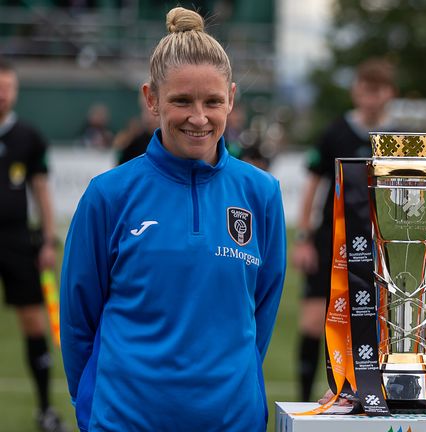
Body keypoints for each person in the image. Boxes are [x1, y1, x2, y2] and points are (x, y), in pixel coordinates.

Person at [60, 7, 286, 431]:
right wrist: (92, 407)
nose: (199, 117)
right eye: (181, 100)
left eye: (213, 101)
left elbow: (260, 313)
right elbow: (77, 322)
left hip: (232, 421)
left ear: (232, 98)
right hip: (125, 420)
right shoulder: (108, 195)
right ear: (151, 98)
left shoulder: (261, 193)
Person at [292, 57, 397, 401]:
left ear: (389, 95)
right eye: (365, 90)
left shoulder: (395, 138)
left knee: (370, 324)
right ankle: (304, 399)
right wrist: (305, 238)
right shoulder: (335, 132)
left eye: (378, 91)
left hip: (374, 243)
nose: (371, 98)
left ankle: (361, 393)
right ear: (356, 92)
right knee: (312, 321)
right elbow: (312, 186)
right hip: (330, 241)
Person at [0, 58, 69, 432]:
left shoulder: (29, 136)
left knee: (33, 322)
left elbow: (41, 190)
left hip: (15, 240)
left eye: (8, 88)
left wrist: (46, 239)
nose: (2, 94)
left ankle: (45, 409)